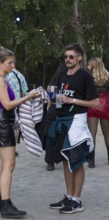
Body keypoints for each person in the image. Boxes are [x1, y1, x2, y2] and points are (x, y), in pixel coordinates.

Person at [0, 45, 40, 218]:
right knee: (9, 165)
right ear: (1, 63)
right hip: (2, 122)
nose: (13, 66)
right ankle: (6, 204)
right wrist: (29, 97)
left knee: (2, 164)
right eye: (10, 63)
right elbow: (7, 104)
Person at [47, 43, 99, 214]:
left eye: (71, 56)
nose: (67, 59)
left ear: (79, 58)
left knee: (75, 160)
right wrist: (50, 97)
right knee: (65, 158)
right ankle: (69, 196)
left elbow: (95, 102)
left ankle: (77, 200)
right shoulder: (62, 74)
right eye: (65, 57)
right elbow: (60, 98)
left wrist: (73, 101)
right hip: (62, 119)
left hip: (77, 120)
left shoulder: (85, 76)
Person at [43, 63, 68, 171]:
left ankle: (50, 162)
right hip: (59, 111)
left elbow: (51, 98)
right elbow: (56, 101)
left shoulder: (52, 84)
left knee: (51, 137)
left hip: (52, 111)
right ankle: (54, 160)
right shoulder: (64, 83)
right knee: (57, 137)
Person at [87, 57, 109, 168]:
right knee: (107, 134)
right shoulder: (107, 76)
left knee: (92, 134)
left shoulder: (88, 77)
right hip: (105, 104)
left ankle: (91, 161)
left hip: (92, 104)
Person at [6, 69, 28, 157]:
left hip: (1, 107)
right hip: (15, 106)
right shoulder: (19, 75)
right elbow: (24, 92)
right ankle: (12, 149)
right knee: (14, 128)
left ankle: (2, 149)